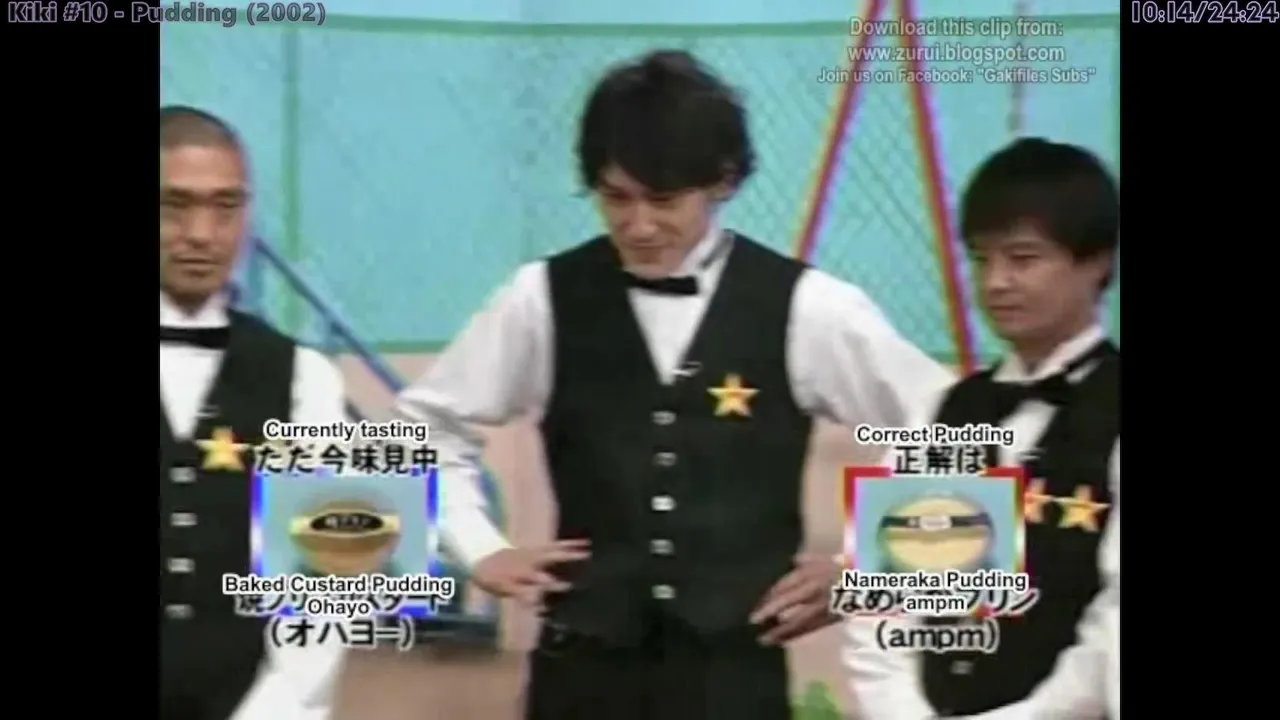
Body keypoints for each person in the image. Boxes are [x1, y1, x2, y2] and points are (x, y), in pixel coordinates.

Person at [394, 50, 954, 720]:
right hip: (581, 674)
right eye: (615, 198)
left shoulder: (810, 308)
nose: (638, 226)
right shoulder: (539, 298)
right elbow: (420, 428)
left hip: (734, 679)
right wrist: (479, 548)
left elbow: (958, 427)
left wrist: (867, 571)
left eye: (663, 201)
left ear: (722, 181)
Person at [844, 138, 1121, 719]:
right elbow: (888, 602)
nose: (996, 282)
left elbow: (1113, 626)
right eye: (980, 259)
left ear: (1096, 262)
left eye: (1022, 259)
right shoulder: (949, 410)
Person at [159, 105, 347, 720]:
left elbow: (336, 578)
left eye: (226, 207)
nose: (201, 234)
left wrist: (279, 707)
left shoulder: (309, 377)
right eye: (174, 205)